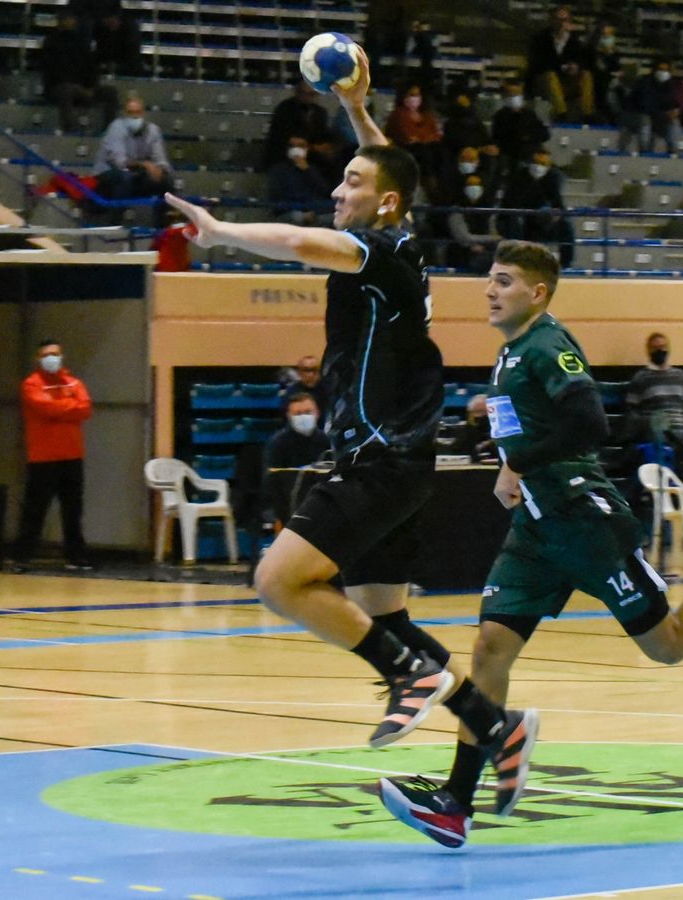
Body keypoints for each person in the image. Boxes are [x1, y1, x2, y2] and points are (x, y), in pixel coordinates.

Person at [376, 240, 683, 848]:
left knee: (667, 644)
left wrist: (523, 460)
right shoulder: (510, 352)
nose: (490, 290)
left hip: (583, 520)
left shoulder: (549, 345)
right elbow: (532, 428)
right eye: (489, 279)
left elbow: (589, 423)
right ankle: (455, 805)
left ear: (537, 293)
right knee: (490, 648)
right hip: (536, 528)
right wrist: (512, 465)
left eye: (504, 281)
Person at [162, 45, 534, 782]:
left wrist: (223, 232)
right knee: (383, 616)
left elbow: (301, 241)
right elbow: (390, 170)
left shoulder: (378, 251)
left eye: (351, 182)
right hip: (397, 458)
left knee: (277, 581)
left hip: (380, 460)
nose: (338, 189)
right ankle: (497, 727)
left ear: (383, 203)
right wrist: (358, 108)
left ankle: (409, 678)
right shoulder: (402, 237)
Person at [14, 339, 94, 572]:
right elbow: (44, 407)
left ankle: (76, 556)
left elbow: (85, 408)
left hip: (72, 455)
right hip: (42, 457)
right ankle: (22, 557)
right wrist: (69, 406)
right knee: (35, 509)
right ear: (38, 359)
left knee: (73, 510)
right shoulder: (31, 384)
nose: (52, 358)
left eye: (55, 354)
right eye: (47, 354)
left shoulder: (74, 382)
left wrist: (58, 407)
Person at [93, 94, 173, 225]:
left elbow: (161, 160)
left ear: (143, 113)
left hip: (136, 173)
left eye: (138, 112)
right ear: (125, 114)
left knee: (166, 180)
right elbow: (120, 162)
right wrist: (145, 164)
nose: (135, 116)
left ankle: (162, 226)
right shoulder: (116, 127)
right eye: (130, 112)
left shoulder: (153, 130)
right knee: (125, 178)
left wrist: (160, 170)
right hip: (109, 172)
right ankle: (114, 224)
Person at [260, 392, 330, 527]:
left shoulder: (327, 441)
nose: (303, 417)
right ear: (289, 416)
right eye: (298, 414)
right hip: (287, 506)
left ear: (317, 413)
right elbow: (271, 484)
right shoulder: (277, 444)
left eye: (308, 412)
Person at [40, 11, 117, 133]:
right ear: (60, 22)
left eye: (71, 19)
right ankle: (70, 128)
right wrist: (75, 87)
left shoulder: (82, 42)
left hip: (83, 89)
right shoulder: (51, 42)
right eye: (66, 19)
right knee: (66, 90)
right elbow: (51, 71)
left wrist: (91, 87)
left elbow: (92, 67)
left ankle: (110, 130)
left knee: (110, 92)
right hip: (58, 88)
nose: (69, 22)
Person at [500, 148, 573, 266]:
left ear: (548, 165)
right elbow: (509, 203)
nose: (539, 167)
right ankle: (517, 260)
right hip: (518, 217)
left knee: (565, 224)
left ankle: (565, 264)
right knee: (515, 220)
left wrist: (557, 215)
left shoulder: (552, 177)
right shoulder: (519, 176)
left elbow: (558, 204)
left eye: (543, 164)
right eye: (536, 162)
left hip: (541, 219)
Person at [625, 332, 683, 445]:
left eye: (663, 347)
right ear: (648, 351)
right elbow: (632, 409)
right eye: (655, 348)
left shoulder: (680, 375)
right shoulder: (641, 377)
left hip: (680, 439)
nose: (660, 351)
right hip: (654, 439)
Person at [526, 6, 594, 123]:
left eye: (564, 20)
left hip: (566, 80)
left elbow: (584, 59)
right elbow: (539, 63)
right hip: (544, 80)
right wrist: (563, 67)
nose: (561, 23)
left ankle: (587, 113)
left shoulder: (574, 40)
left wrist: (576, 66)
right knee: (550, 76)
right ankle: (561, 113)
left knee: (586, 75)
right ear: (551, 20)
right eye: (558, 19)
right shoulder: (540, 38)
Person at [383, 84, 445, 196]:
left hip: (427, 147)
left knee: (440, 151)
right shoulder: (397, 114)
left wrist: (421, 138)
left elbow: (435, 135)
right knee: (422, 151)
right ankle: (429, 182)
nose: (415, 98)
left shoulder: (426, 115)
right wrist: (424, 137)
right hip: (405, 148)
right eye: (411, 94)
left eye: (417, 95)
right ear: (404, 96)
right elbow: (406, 136)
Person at [261, 80, 332, 172]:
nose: (307, 97)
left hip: (310, 154)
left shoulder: (320, 112)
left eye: (311, 94)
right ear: (297, 92)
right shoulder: (285, 108)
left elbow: (322, 135)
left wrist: (323, 145)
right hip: (284, 153)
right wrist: (294, 141)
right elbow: (278, 134)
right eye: (303, 93)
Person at [266, 135, 334, 225]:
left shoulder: (315, 168)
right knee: (298, 217)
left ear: (307, 148)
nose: (296, 149)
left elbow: (324, 191)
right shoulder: (278, 169)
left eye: (300, 146)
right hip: (289, 211)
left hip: (315, 211)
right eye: (292, 146)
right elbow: (276, 196)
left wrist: (307, 170)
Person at [619, 60, 681, 155]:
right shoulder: (645, 83)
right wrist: (665, 114)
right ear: (654, 70)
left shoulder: (669, 86)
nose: (663, 72)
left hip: (656, 117)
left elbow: (671, 104)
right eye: (660, 69)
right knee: (645, 121)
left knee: (674, 122)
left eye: (666, 70)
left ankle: (673, 152)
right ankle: (644, 152)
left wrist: (674, 111)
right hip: (634, 115)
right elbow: (645, 107)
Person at [490, 80, 551, 176]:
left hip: (533, 153)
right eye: (510, 93)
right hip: (513, 156)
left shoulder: (529, 114)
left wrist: (528, 136)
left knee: (555, 174)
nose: (513, 96)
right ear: (505, 96)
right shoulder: (500, 116)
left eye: (516, 93)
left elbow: (545, 134)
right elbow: (500, 139)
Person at [444, 175, 503, 273]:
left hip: (485, 250)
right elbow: (465, 238)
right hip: (463, 251)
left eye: (477, 184)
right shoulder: (457, 211)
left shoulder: (486, 210)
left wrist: (490, 241)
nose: (474, 188)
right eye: (470, 184)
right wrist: (475, 245)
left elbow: (493, 233)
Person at [450, 395, 496, 463]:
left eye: (487, 412)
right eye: (479, 411)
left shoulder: (500, 434)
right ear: (470, 414)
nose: (482, 415)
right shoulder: (463, 434)